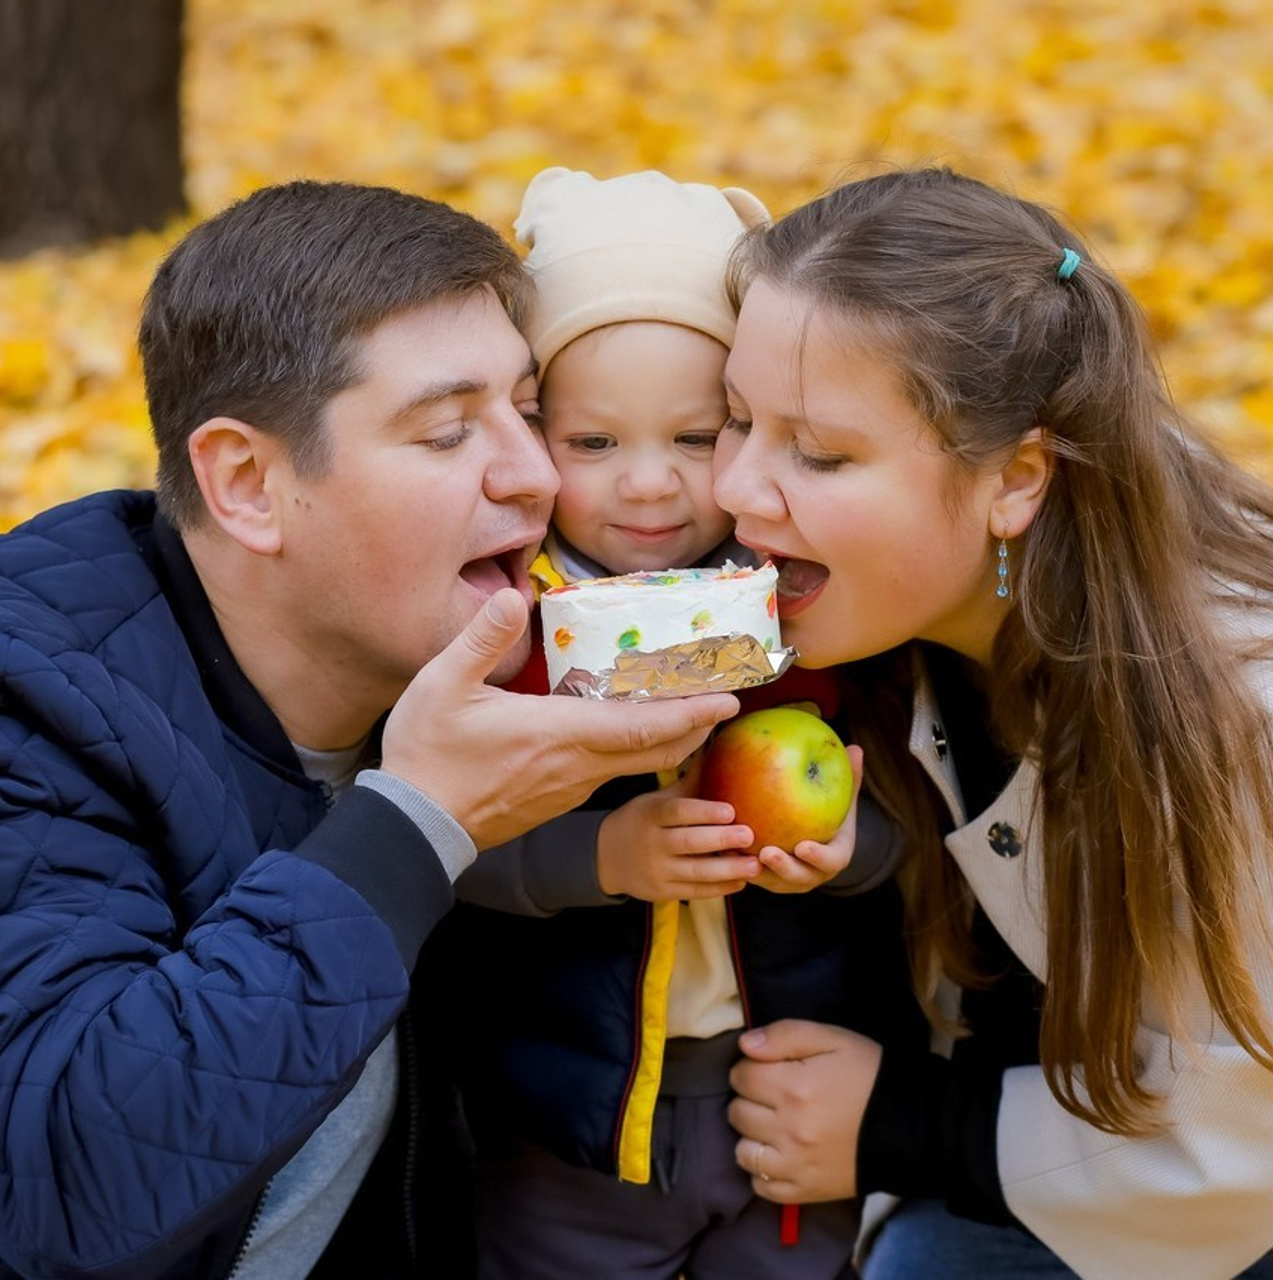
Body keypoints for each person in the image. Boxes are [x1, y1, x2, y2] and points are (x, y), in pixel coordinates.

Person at [0, 179, 742, 1280]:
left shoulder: (483, 674)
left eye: (531, 414)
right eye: (446, 432)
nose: (535, 474)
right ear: (247, 483)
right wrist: (414, 821)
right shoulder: (36, 711)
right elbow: (64, 1187)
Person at [712, 164, 1273, 1280]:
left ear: (1017, 476)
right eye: (733, 419)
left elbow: (1253, 1136)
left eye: (817, 453)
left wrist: (904, 1125)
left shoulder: (1240, 724)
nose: (735, 486)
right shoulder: (903, 604)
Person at [445, 168, 927, 1280]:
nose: (651, 486)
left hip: (786, 1100)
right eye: (594, 443)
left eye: (700, 436)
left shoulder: (810, 603)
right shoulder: (500, 619)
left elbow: (912, 807)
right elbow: (440, 829)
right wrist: (598, 853)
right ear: (528, 434)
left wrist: (853, 855)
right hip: (571, 1121)